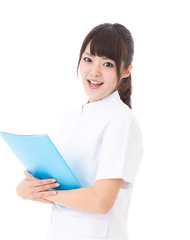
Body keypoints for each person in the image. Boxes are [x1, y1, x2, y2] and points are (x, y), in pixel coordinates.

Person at [16, 23, 143, 240]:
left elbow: (101, 201)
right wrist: (28, 188)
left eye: (108, 63)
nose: (94, 72)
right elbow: (62, 183)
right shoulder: (71, 116)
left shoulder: (122, 121)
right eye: (88, 59)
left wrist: (49, 194)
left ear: (126, 71)